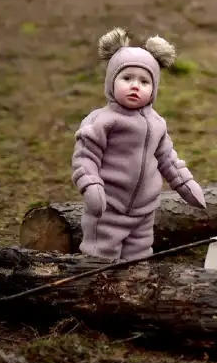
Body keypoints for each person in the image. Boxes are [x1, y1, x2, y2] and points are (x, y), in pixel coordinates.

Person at [70, 28, 207, 261]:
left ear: (154, 89)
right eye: (127, 78)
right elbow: (85, 158)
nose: (135, 86)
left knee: (139, 258)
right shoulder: (101, 121)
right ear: (111, 81)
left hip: (144, 211)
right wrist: (91, 186)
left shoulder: (157, 123)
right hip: (108, 208)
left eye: (144, 81)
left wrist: (185, 183)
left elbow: (167, 158)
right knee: (101, 258)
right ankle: (94, 290)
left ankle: (134, 290)